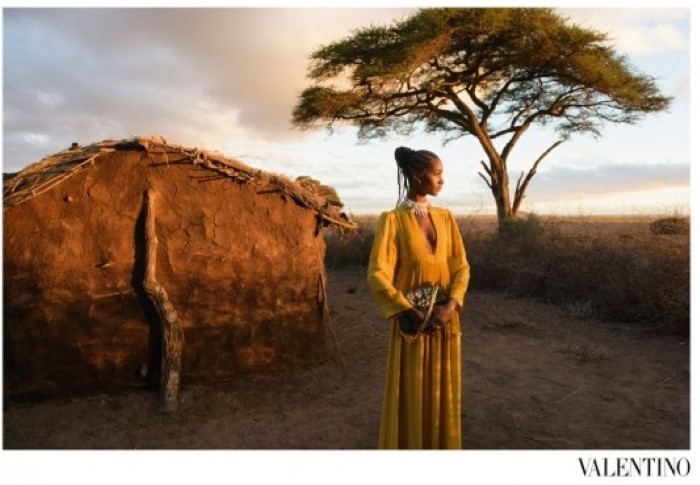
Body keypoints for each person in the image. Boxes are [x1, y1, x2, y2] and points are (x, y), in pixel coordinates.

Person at [367, 146, 470, 449]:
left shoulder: (446, 218)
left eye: (442, 174)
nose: (442, 180)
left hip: (445, 323)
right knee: (412, 391)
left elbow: (461, 266)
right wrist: (410, 310)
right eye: (437, 173)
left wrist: (450, 306)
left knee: (442, 390)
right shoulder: (392, 221)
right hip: (413, 327)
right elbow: (377, 273)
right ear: (416, 175)